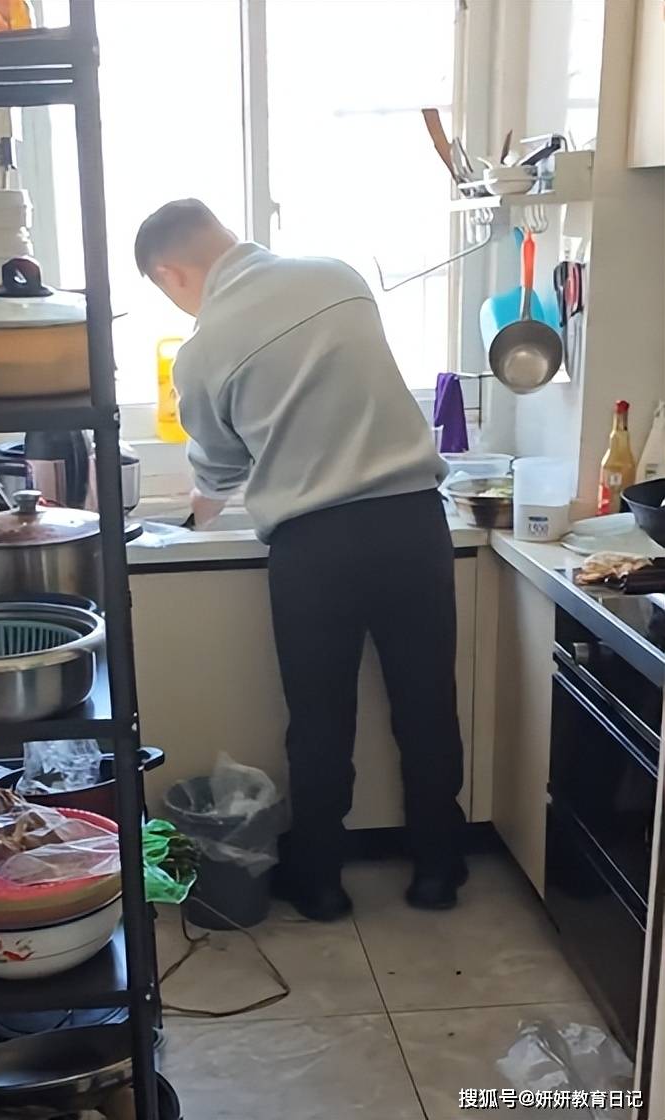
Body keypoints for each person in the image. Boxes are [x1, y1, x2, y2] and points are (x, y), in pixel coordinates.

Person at [134, 199, 467, 921]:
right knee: (427, 706)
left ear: (170, 272)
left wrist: (193, 512)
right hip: (412, 523)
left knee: (319, 721)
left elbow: (220, 468)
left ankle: (319, 882)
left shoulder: (204, 351)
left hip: (315, 546)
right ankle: (438, 870)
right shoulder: (337, 277)